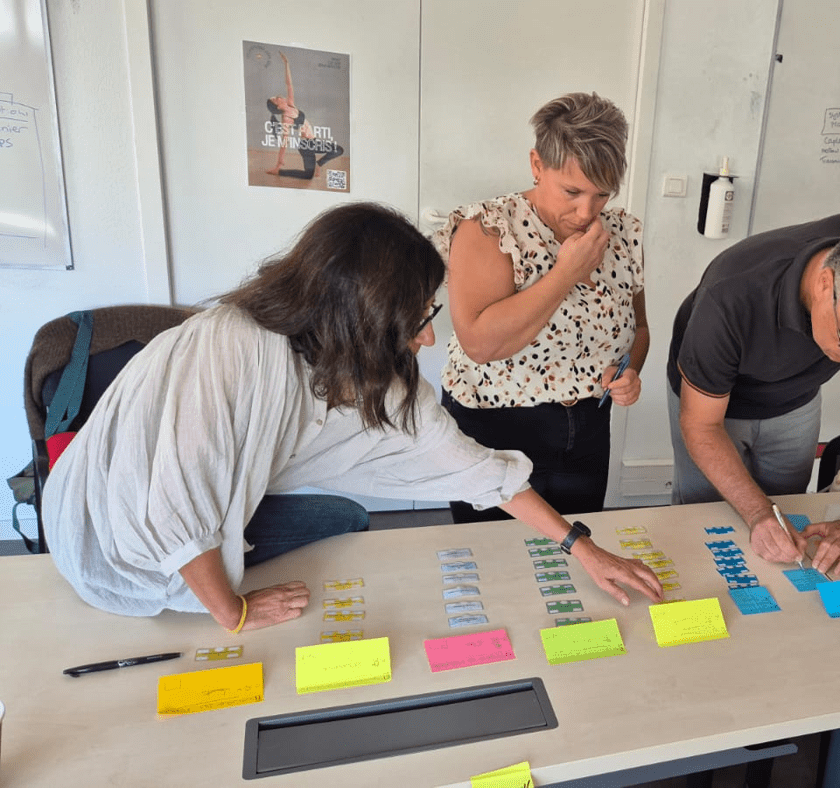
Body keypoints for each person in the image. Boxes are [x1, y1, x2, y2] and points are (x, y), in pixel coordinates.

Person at [43, 202, 662, 633]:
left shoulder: (371, 368)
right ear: (361, 316)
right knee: (312, 533)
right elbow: (172, 504)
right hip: (111, 530)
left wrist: (581, 547)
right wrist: (235, 612)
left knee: (344, 518)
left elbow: (471, 466)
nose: (428, 337)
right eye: (420, 317)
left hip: (210, 502)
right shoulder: (233, 345)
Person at [668, 211, 840, 575]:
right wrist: (757, 513)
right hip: (715, 403)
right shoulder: (728, 297)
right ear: (824, 284)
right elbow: (701, 426)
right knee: (711, 518)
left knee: (788, 521)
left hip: (797, 397)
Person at [433, 92, 645, 524]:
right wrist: (566, 273)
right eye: (572, 191)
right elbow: (480, 345)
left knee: (580, 545)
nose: (587, 211)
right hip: (495, 427)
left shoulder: (622, 232)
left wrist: (629, 373)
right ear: (537, 164)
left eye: (603, 194)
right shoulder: (488, 229)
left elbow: (638, 328)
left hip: (587, 428)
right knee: (494, 553)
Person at [265, 51, 343, 181]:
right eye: (276, 99)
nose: (279, 96)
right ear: (278, 106)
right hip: (306, 145)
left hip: (313, 142)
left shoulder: (291, 104)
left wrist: (286, 63)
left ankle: (318, 164)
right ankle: (279, 171)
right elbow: (284, 142)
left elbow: (289, 84)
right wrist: (279, 161)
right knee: (308, 176)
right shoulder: (286, 119)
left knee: (338, 150)